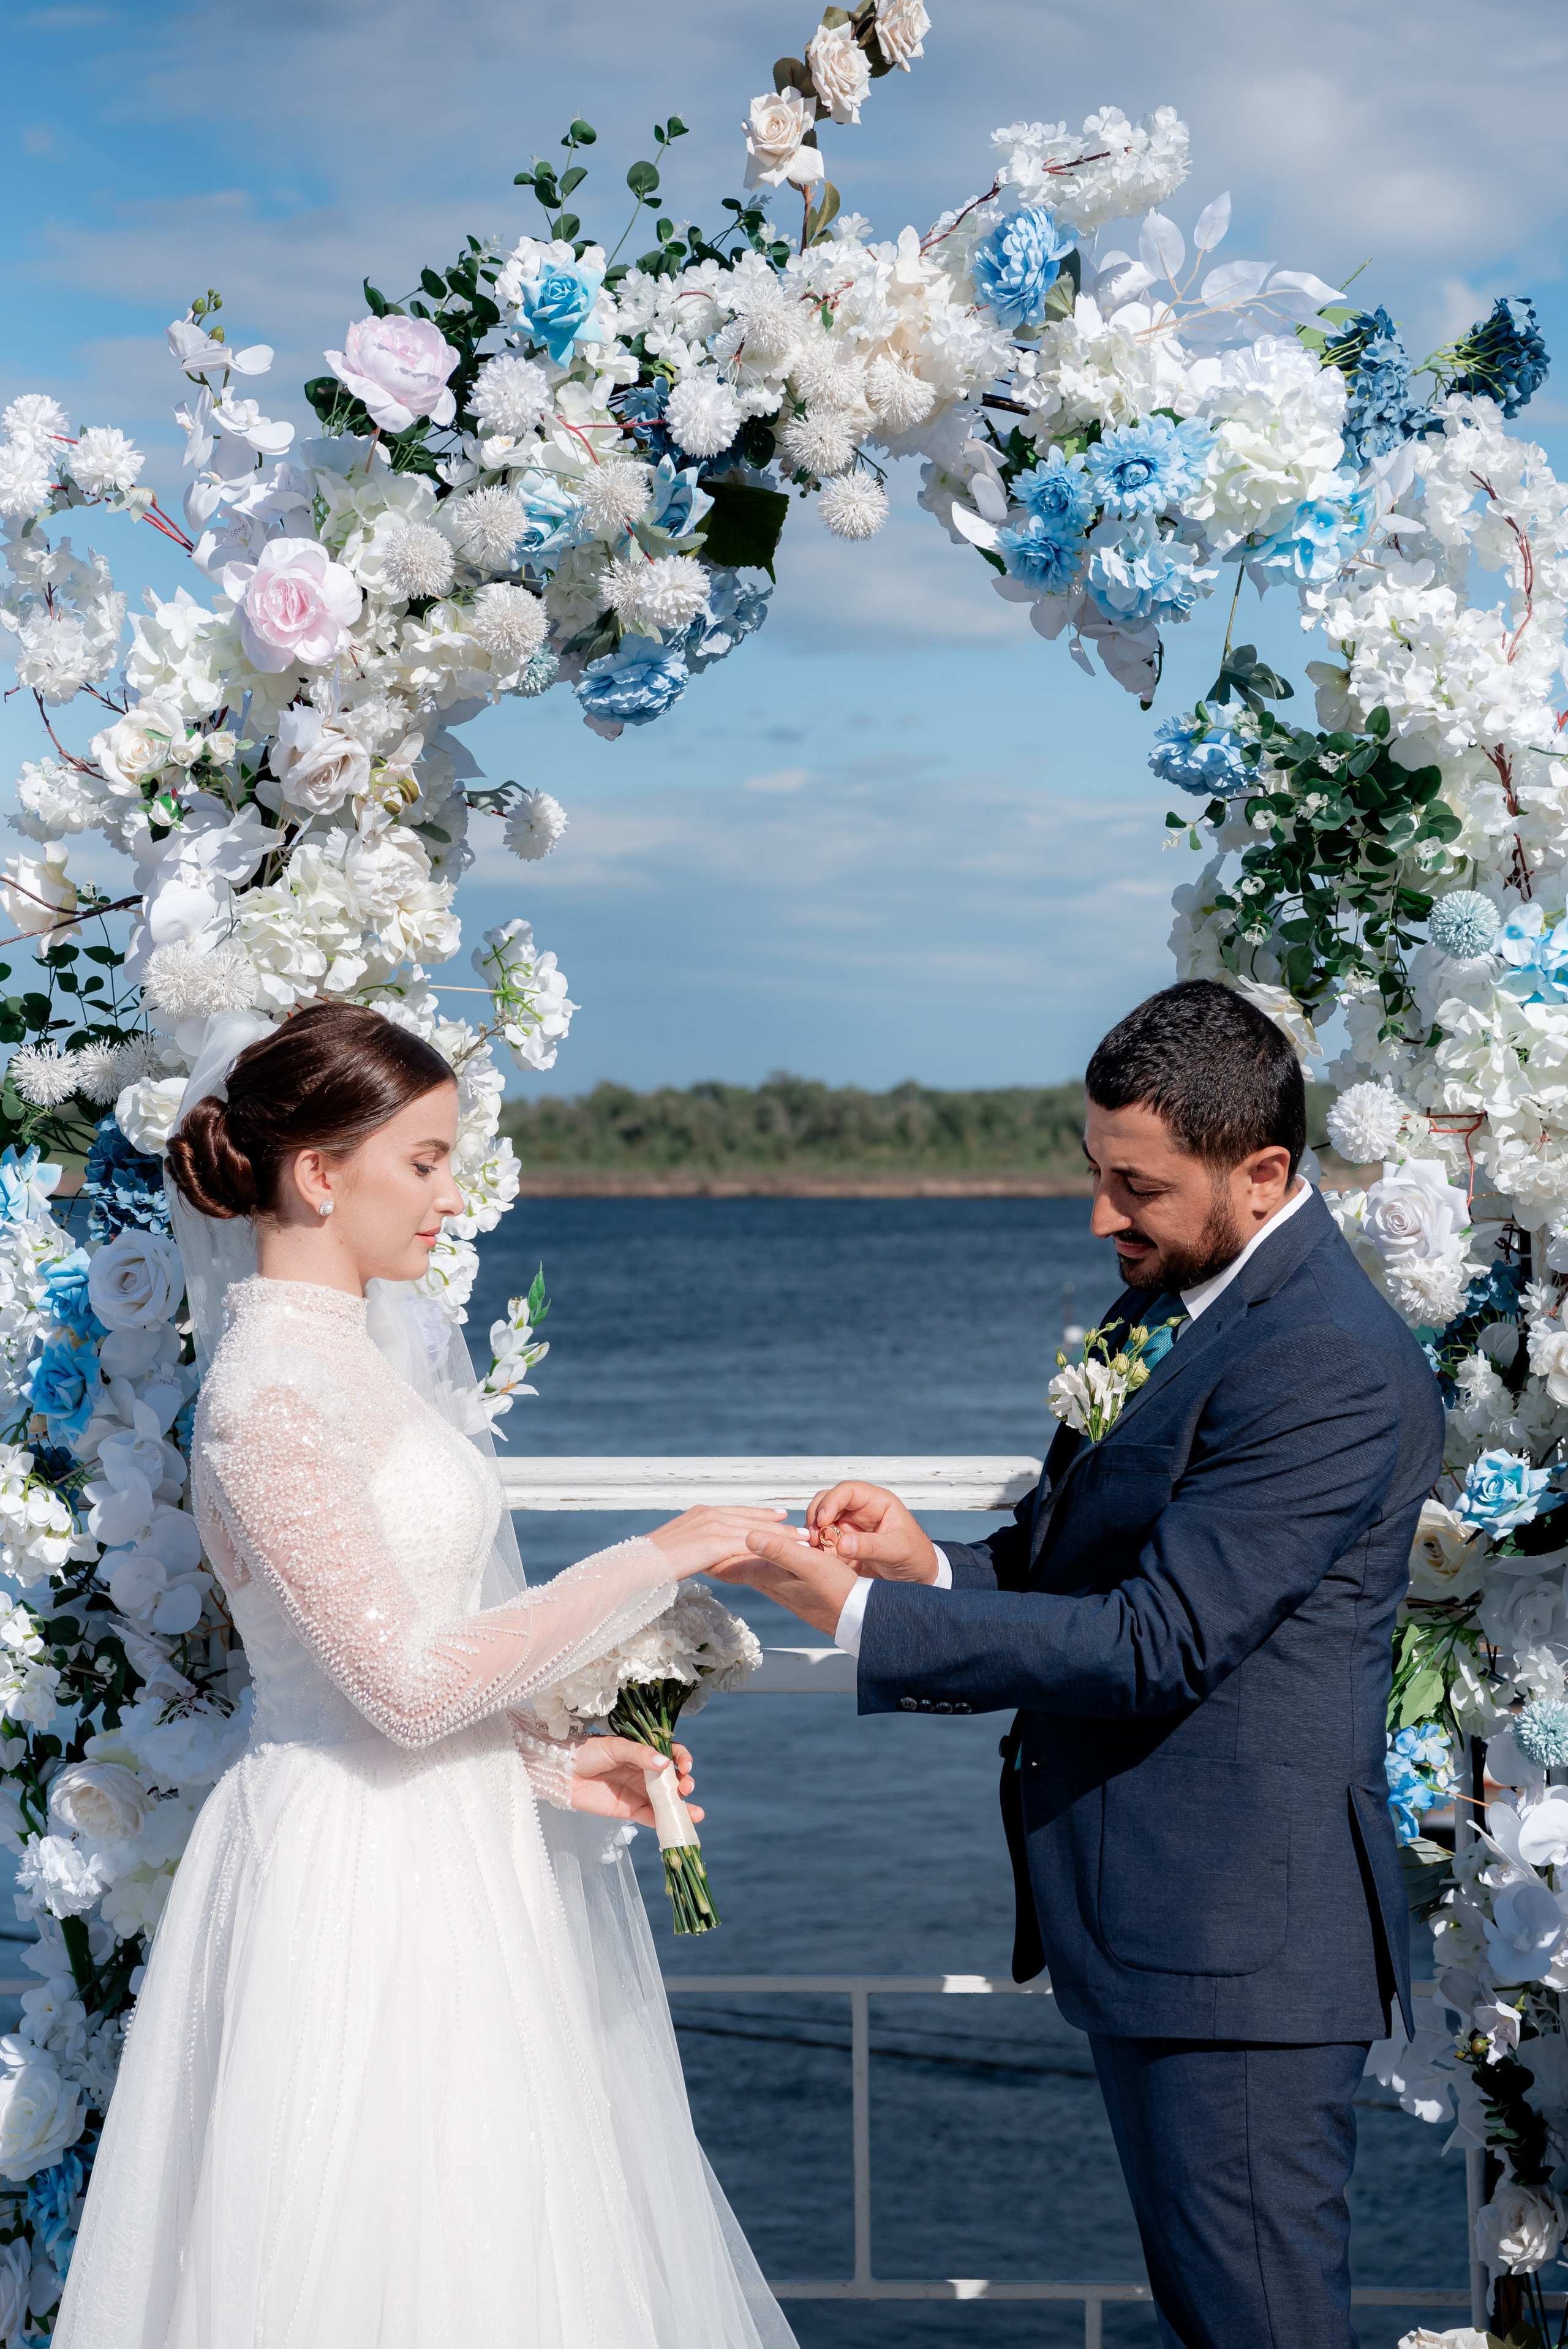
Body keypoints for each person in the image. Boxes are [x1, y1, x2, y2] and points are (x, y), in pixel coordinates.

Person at [57, 1002, 797, 2349]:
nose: (453, 1197)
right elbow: (396, 1685)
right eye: (427, 1160)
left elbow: (383, 1666)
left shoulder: (354, 1363)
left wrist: (556, 1764)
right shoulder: (269, 1392)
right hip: (351, 1889)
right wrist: (647, 1560)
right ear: (318, 1173)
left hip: (448, 1859)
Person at [720, 979, 1445, 2349]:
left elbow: (1157, 1640)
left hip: (1241, 1941)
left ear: (1262, 1172)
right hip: (1165, 1924)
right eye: (1093, 1172)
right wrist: (923, 1568)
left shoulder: (1323, 1361)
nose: (1100, 1215)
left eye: (1136, 1185)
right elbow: (1092, 1567)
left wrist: (855, 1621)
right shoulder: (1184, 1294)